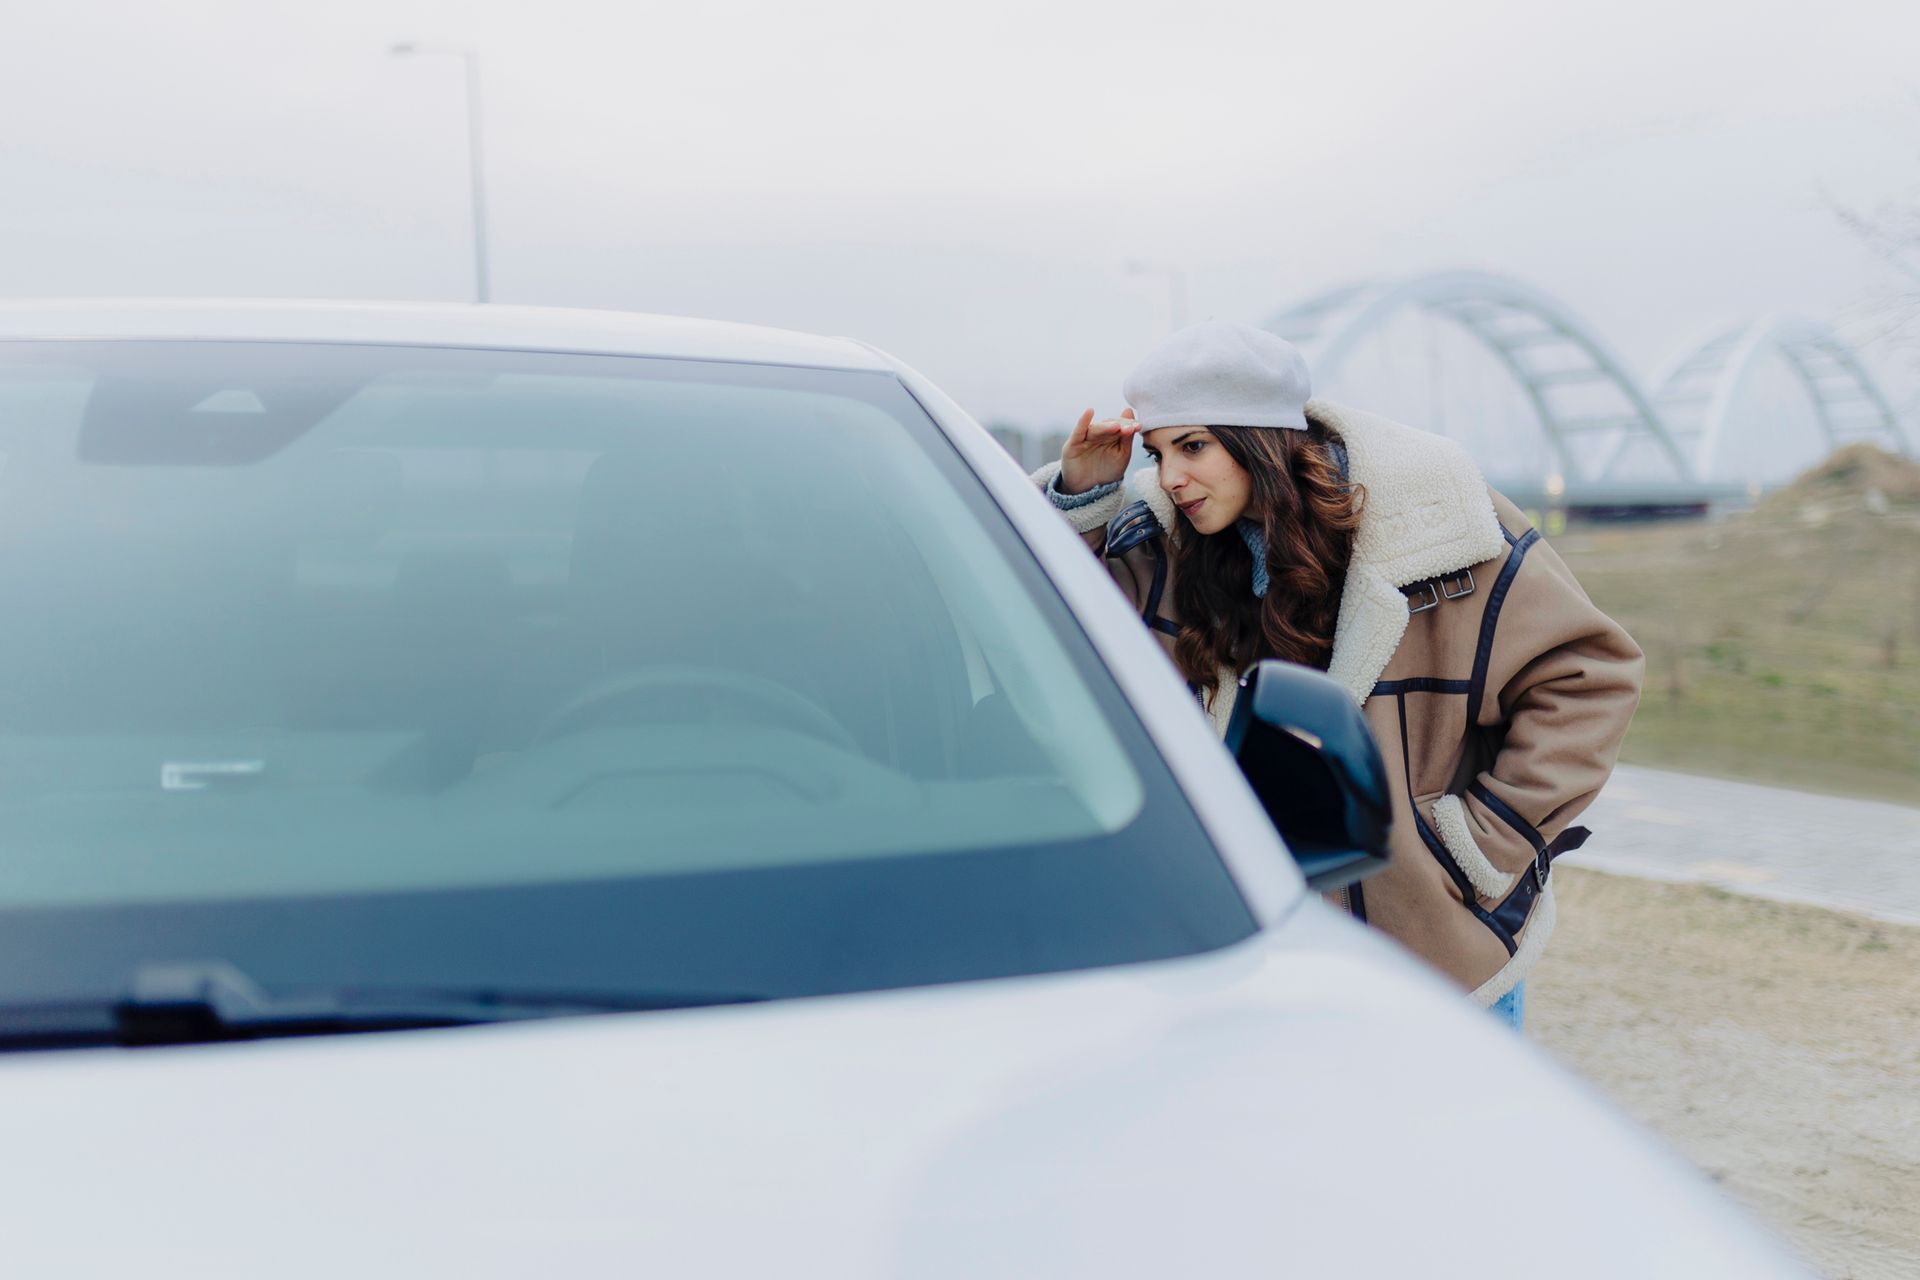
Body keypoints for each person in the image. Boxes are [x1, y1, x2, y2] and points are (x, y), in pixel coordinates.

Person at [1032, 320, 1644, 1026]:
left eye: (1194, 445)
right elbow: (1052, 633)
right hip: (1254, 944)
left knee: (1447, 1137)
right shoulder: (1165, 540)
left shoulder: (1441, 519)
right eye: (1160, 451)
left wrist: (1477, 845)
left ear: (1260, 439)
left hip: (1434, 950)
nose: (1171, 476)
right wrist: (1083, 496)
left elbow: (1590, 674)